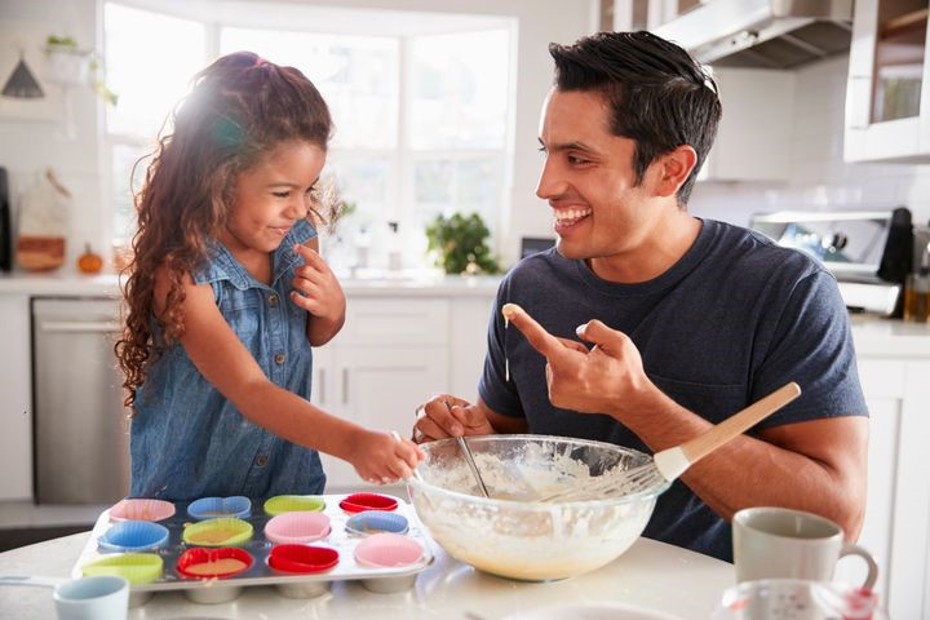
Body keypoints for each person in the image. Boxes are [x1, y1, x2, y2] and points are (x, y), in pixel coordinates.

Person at [413, 31, 868, 562]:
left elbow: (837, 519)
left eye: (578, 159)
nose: (545, 185)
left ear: (670, 170)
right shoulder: (528, 288)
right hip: (550, 580)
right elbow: (509, 448)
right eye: (548, 152)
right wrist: (467, 437)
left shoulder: (786, 292)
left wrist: (637, 403)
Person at [115, 51, 422, 502]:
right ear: (217, 180)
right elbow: (250, 388)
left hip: (286, 488)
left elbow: (313, 334)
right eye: (282, 192)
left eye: (307, 190)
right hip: (190, 502)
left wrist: (334, 308)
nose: (299, 208)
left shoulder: (297, 237)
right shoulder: (181, 273)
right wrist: (354, 443)